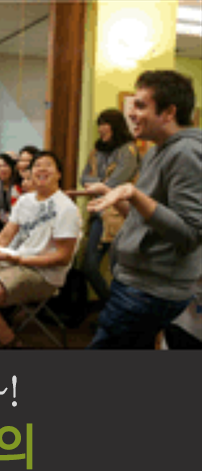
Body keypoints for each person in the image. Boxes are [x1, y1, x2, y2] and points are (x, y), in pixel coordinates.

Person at [80, 70, 202, 349]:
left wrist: (133, 194)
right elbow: (146, 219)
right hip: (136, 283)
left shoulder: (186, 153)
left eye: (141, 105)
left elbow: (190, 234)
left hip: (150, 290)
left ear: (169, 112)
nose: (131, 113)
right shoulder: (157, 150)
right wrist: (113, 194)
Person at [0, 151, 81, 349]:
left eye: (47, 165)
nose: (41, 169)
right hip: (16, 261)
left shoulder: (66, 208)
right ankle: (8, 338)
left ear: (59, 174)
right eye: (37, 165)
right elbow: (3, 237)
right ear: (30, 173)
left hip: (44, 273)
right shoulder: (25, 201)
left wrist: (21, 260)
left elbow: (63, 257)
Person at [79, 109, 140, 304]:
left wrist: (99, 183)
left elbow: (114, 183)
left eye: (105, 124)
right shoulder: (96, 151)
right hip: (98, 214)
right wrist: (101, 183)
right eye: (99, 124)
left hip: (120, 216)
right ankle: (110, 306)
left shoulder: (128, 150)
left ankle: (119, 311)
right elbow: (83, 179)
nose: (100, 129)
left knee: (118, 270)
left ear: (116, 126)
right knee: (88, 266)